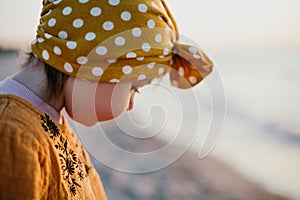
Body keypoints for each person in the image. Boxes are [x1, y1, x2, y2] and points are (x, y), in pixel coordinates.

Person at [0, 0, 213, 199]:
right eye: (134, 88)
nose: (131, 105)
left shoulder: (47, 120)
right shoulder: (12, 134)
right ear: (96, 64)